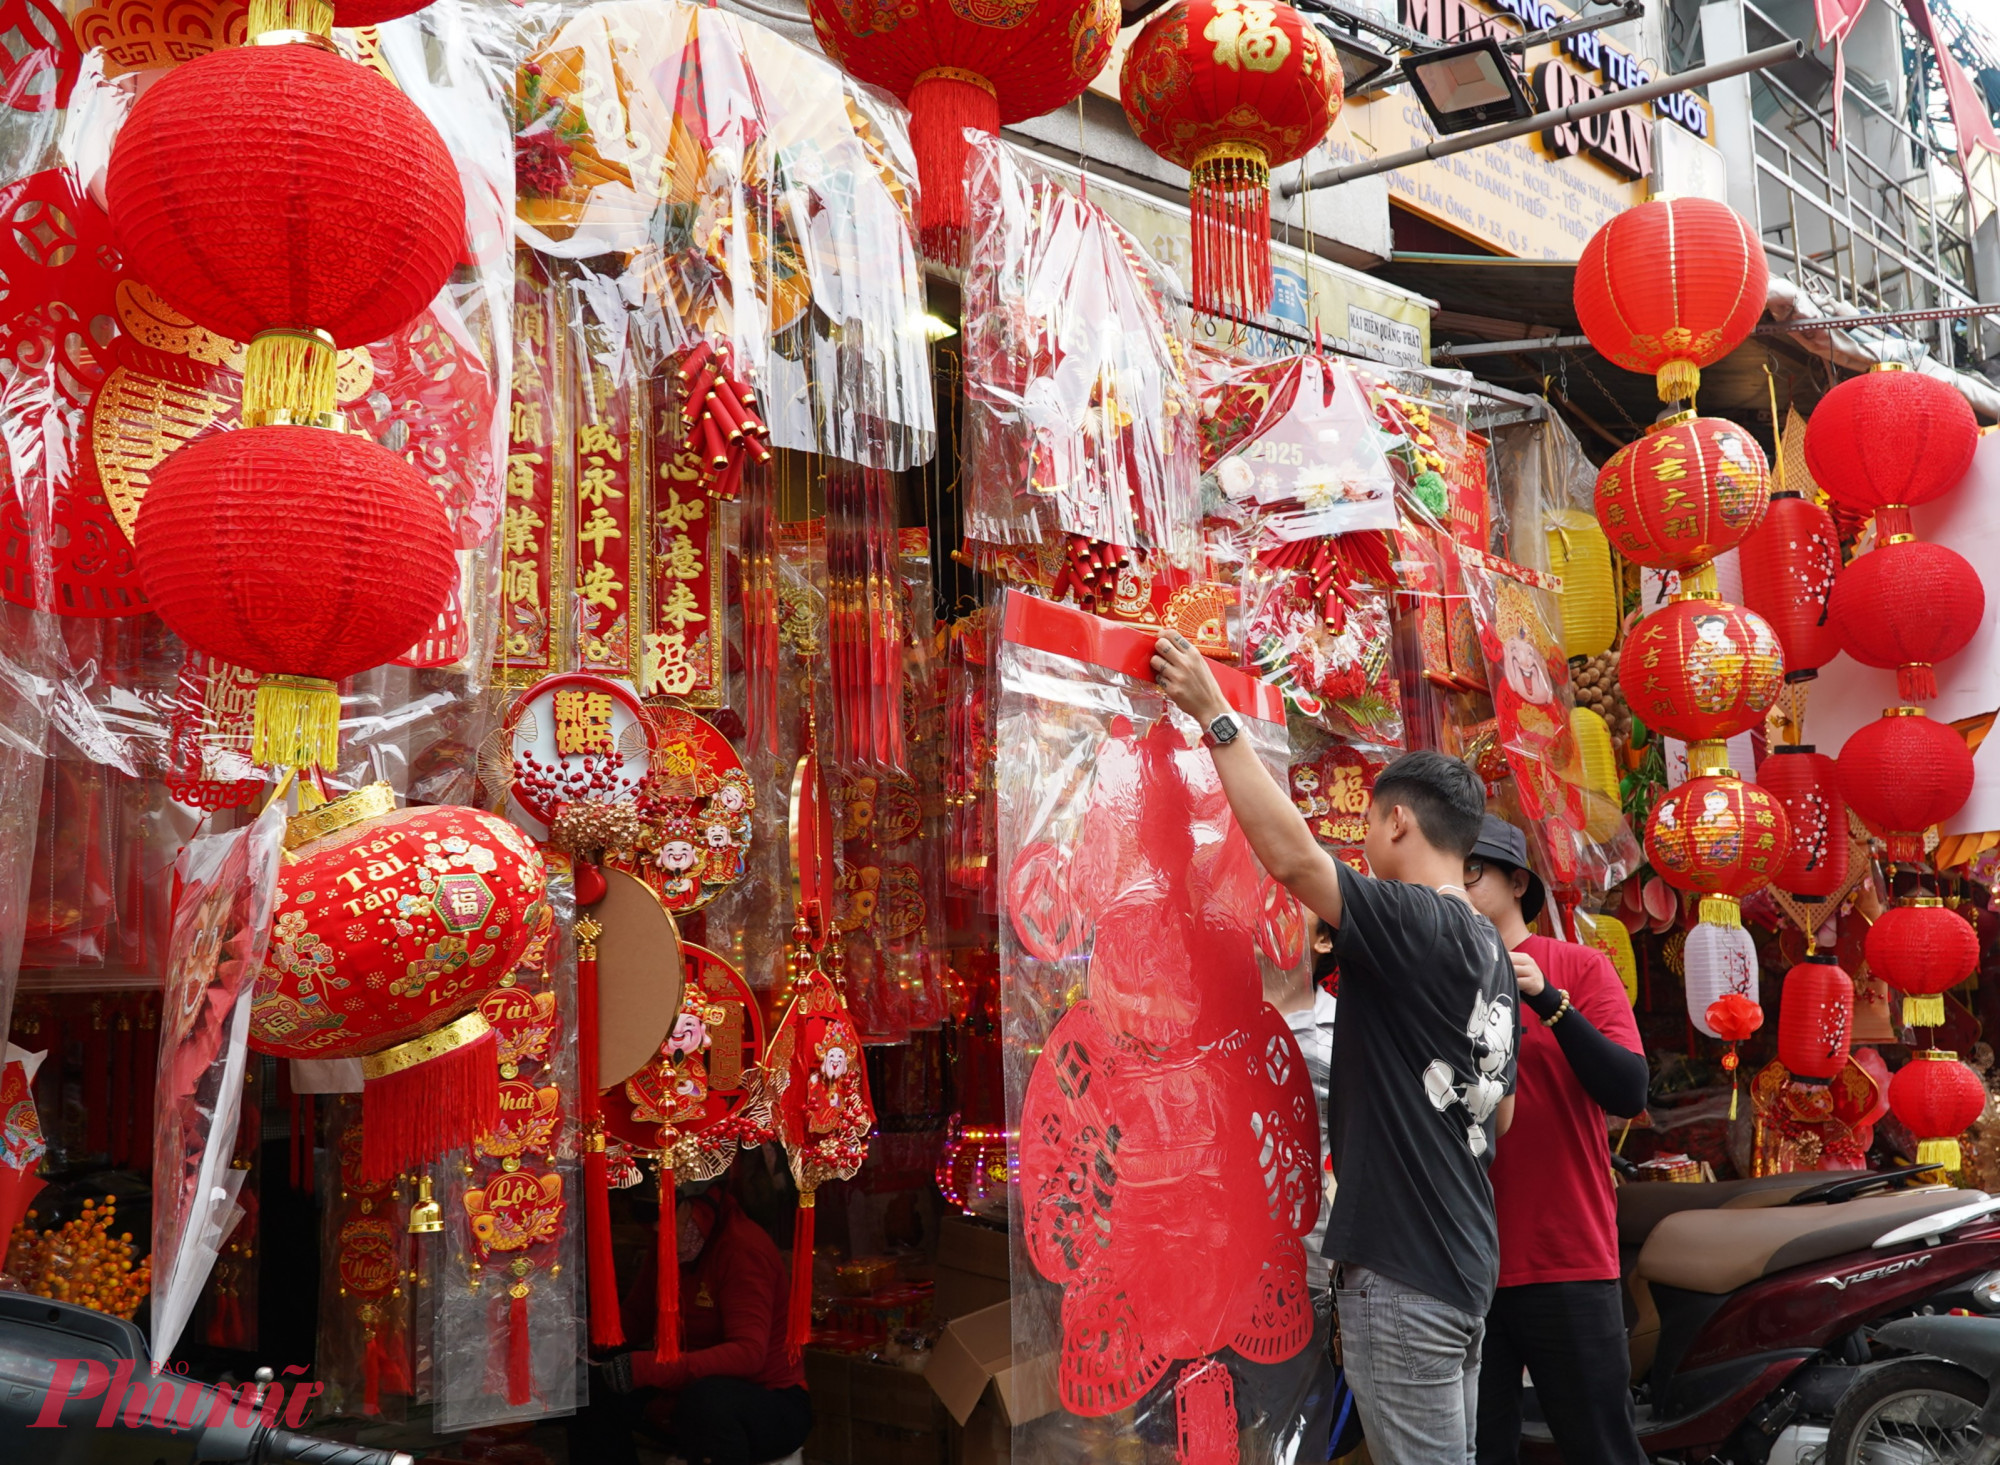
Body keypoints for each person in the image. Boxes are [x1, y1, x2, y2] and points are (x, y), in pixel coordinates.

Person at [1152, 632, 1517, 1465]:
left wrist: (1215, 714)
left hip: (1409, 1270)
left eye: (1367, 825)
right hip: (1460, 1261)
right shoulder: (1489, 949)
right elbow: (1503, 1113)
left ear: (1397, 820)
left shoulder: (1418, 920)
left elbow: (1289, 858)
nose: (1361, 846)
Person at [1459, 815, 1649, 1465]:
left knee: (1601, 1447)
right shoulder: (1437, 981)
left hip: (1564, 1255)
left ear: (1518, 883)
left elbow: (1629, 1089)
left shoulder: (1579, 967)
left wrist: (1551, 1001)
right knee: (1478, 1452)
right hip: (1463, 1266)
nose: (1455, 884)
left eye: (1471, 870)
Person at [582, 1180, 812, 1465]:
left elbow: (747, 1355)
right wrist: (574, 1340)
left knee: (706, 1400)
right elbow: (637, 1318)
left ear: (696, 1205)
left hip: (767, 1398)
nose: (655, 1230)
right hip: (684, 1386)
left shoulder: (741, 1248)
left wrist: (649, 1368)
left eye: (664, 1217)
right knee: (590, 1389)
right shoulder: (666, 1242)